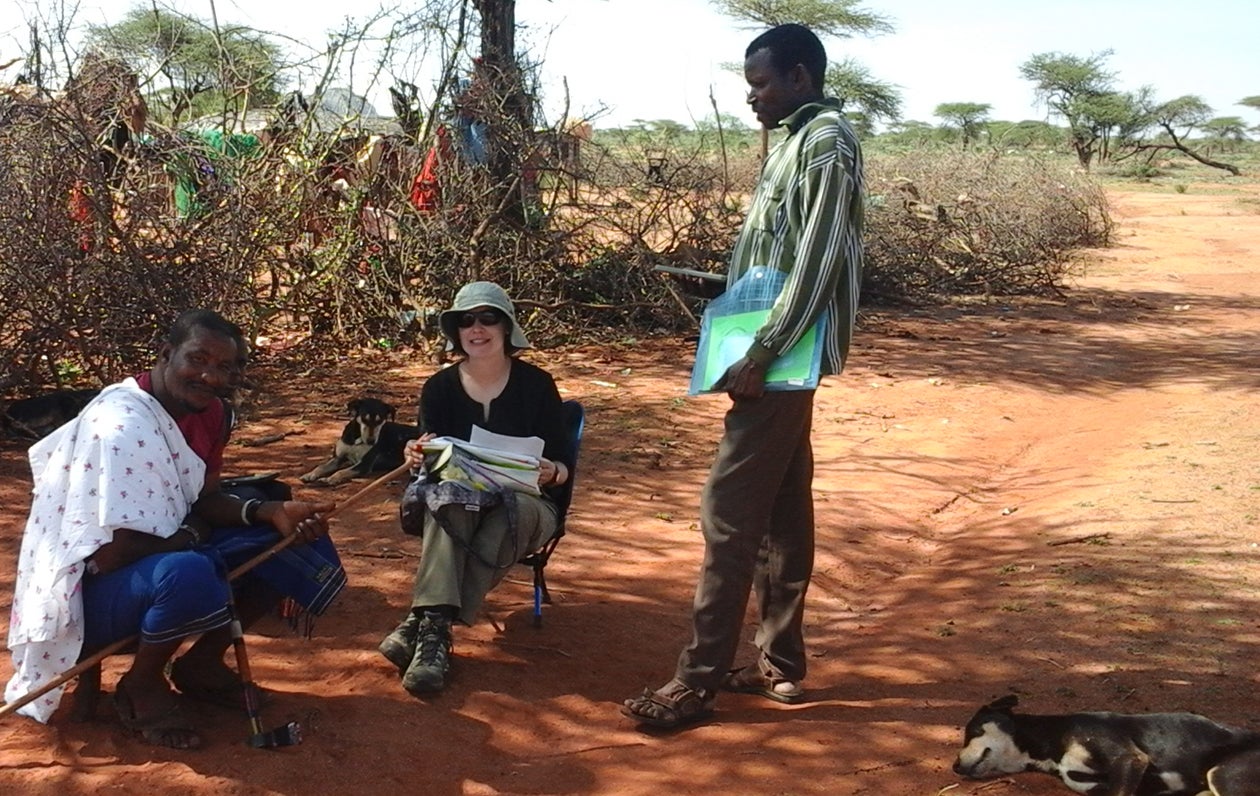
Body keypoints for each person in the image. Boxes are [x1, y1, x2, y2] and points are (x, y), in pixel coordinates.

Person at [622, 23, 865, 729]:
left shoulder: (824, 143)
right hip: (778, 348)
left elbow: (818, 260)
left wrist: (762, 349)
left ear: (798, 76)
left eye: (761, 83)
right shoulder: (798, 138)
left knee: (729, 517)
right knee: (784, 511)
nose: (752, 97)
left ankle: (693, 683)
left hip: (781, 358)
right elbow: (785, 254)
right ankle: (780, 666)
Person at [5, 309, 343, 749]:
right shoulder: (119, 427)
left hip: (154, 557)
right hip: (86, 597)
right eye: (198, 360)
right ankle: (142, 685)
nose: (210, 376)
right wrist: (195, 535)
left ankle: (201, 666)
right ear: (166, 354)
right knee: (188, 573)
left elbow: (204, 499)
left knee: (289, 540)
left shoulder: (212, 414)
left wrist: (271, 510)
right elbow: (113, 555)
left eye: (224, 366)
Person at [378, 281, 571, 697]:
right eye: (466, 320)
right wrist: (416, 454)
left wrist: (552, 471)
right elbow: (431, 462)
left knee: (506, 514)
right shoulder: (439, 388)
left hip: (528, 503)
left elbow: (563, 467)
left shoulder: (538, 385)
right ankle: (436, 631)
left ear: (506, 327)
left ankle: (427, 623)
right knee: (450, 498)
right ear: (456, 332)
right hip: (461, 500)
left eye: (488, 318)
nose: (477, 328)